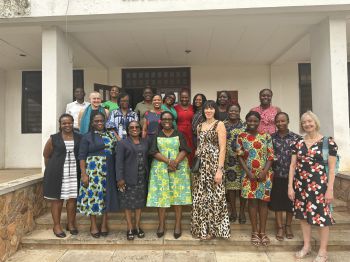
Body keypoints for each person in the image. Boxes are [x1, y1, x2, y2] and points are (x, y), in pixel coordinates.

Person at [288, 111, 337, 262]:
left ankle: (323, 251)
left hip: (320, 186)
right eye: (304, 122)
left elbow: (332, 168)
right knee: (303, 217)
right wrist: (290, 186)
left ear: (315, 122)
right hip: (301, 186)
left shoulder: (328, 142)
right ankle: (307, 246)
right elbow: (292, 165)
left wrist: (330, 189)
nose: (307, 124)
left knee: (322, 218)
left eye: (310, 121)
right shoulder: (298, 143)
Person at [146, 111, 192, 239]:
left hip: (179, 169)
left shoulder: (179, 134)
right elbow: (153, 151)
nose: (167, 121)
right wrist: (168, 161)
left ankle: (178, 224)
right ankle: (161, 224)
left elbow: (185, 149)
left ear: (173, 121)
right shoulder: (156, 135)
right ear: (161, 121)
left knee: (178, 197)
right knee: (162, 197)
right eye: (164, 119)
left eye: (169, 119)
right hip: (160, 169)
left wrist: (175, 162)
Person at [191, 100, 230, 240]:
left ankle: (214, 230)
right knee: (201, 198)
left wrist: (219, 170)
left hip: (214, 165)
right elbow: (199, 145)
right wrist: (197, 154)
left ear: (215, 110)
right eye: (206, 108)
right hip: (201, 166)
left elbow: (223, 148)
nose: (208, 111)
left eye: (211, 108)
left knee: (215, 197)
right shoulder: (199, 126)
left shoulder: (220, 125)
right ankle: (201, 229)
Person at [77, 112, 119, 238]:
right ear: (92, 123)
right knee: (93, 196)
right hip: (93, 170)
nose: (99, 123)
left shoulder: (110, 134)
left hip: (109, 169)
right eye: (97, 121)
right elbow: (82, 157)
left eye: (101, 121)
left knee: (106, 195)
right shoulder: (87, 137)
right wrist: (84, 174)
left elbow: (119, 146)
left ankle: (104, 223)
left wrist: (115, 133)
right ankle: (93, 224)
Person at [237, 111, 274, 247]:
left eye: (255, 121)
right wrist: (248, 173)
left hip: (265, 175)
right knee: (252, 204)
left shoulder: (266, 136)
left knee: (263, 204)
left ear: (259, 122)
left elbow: (271, 155)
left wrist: (264, 171)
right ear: (246, 121)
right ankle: (254, 232)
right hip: (248, 176)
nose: (252, 123)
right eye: (250, 121)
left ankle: (262, 232)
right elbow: (239, 155)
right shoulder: (241, 136)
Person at [43, 114, 82, 238]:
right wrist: (51, 170)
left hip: (74, 173)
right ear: (60, 124)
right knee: (57, 200)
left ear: (73, 123)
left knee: (72, 199)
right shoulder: (53, 138)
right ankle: (57, 226)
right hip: (57, 173)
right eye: (64, 123)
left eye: (69, 123)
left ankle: (71, 224)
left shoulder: (79, 137)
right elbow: (46, 155)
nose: (67, 125)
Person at [116, 121, 149, 240]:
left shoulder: (145, 142)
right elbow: (118, 162)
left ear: (140, 129)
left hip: (142, 177)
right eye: (131, 127)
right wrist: (120, 178)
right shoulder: (122, 143)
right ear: (128, 130)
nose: (134, 129)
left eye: (137, 127)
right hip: (127, 178)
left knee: (139, 204)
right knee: (128, 204)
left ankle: (137, 226)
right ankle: (130, 227)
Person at [270, 112, 300, 241]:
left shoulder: (296, 138)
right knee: (277, 203)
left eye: (283, 121)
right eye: (278, 121)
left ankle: (288, 226)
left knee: (290, 203)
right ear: (275, 123)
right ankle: (280, 227)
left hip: (291, 176)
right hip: (276, 175)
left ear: (288, 121)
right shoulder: (271, 138)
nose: (280, 123)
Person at [223, 104, 247, 224]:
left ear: (239, 111)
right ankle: (233, 211)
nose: (233, 112)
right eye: (231, 110)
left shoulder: (245, 125)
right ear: (227, 111)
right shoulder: (222, 125)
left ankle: (242, 211)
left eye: (236, 110)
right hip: (228, 160)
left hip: (243, 160)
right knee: (231, 188)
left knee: (243, 187)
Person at [175, 89, 194, 166]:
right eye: (182, 97)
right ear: (180, 98)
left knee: (191, 149)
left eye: (186, 97)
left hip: (190, 132)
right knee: (181, 149)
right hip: (180, 132)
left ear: (189, 98)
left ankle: (190, 167)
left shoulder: (193, 107)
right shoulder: (176, 108)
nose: (184, 99)